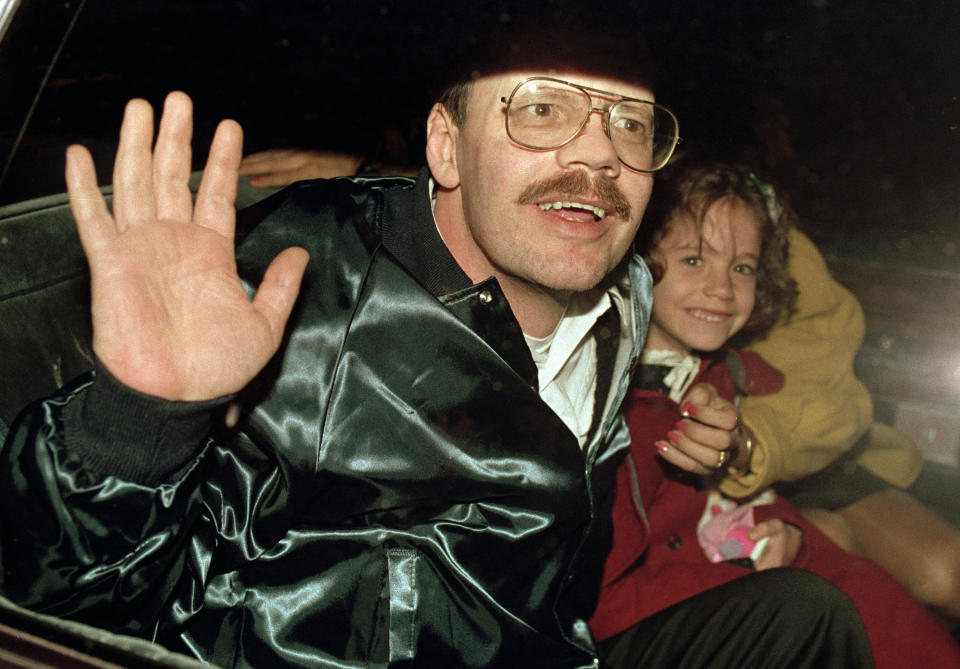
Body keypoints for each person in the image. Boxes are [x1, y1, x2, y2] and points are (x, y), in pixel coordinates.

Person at [0, 28, 873, 668]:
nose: (598, 154)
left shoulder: (628, 298)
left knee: (806, 617)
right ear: (446, 146)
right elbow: (56, 607)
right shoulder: (300, 285)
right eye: (542, 109)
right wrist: (139, 420)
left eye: (631, 125)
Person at [586, 161, 960, 666]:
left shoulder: (715, 371)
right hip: (732, 608)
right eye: (695, 260)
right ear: (636, 259)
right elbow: (606, 602)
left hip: (780, 570)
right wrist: (756, 576)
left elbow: (823, 411)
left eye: (742, 268)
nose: (723, 288)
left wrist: (785, 525)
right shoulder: (619, 413)